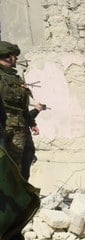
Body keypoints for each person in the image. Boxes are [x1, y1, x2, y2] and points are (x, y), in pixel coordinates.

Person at [0, 41, 35, 177]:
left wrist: (31, 122)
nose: (16, 59)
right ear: (8, 57)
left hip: (18, 125)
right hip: (5, 125)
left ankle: (13, 195)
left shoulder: (15, 78)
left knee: (15, 165)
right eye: (14, 56)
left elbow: (22, 105)